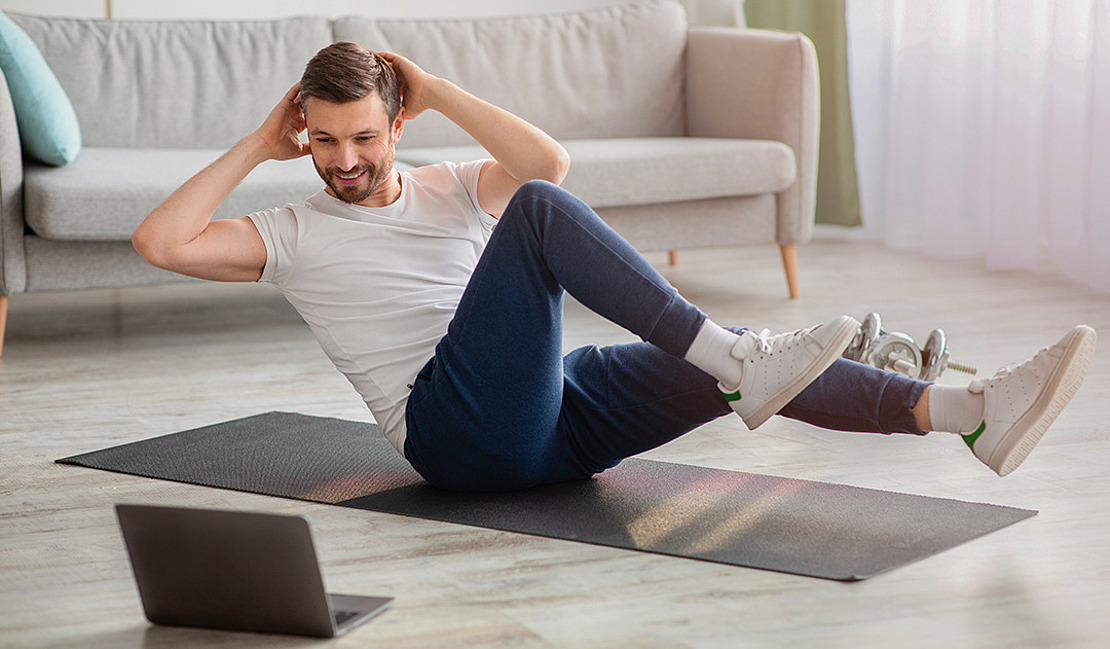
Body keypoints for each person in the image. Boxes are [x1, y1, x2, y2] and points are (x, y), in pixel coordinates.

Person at [132, 42, 1096, 492]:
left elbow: (545, 159)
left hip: (543, 416)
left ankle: (974, 416)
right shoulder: (293, 230)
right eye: (326, 142)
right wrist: (262, 145)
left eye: (366, 138)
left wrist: (434, 88)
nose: (345, 161)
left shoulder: (451, 182)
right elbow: (162, 242)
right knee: (556, 225)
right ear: (307, 137)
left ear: (395, 127)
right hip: (455, 434)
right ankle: (733, 353)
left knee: (737, 363)